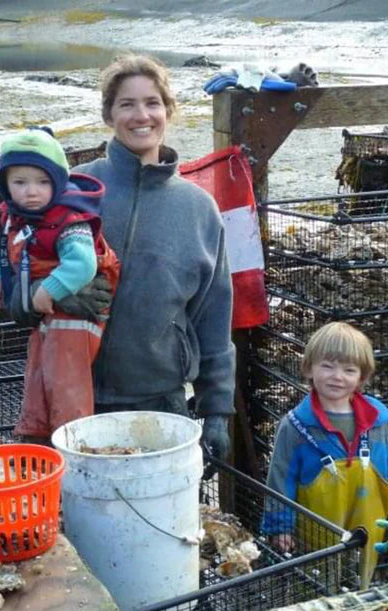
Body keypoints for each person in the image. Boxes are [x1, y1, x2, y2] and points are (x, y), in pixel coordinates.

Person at [52, 53, 236, 462]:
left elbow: (214, 314)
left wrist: (217, 411)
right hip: (72, 393)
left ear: (168, 111)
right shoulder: (75, 190)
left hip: (160, 402)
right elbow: (17, 276)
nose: (142, 115)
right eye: (127, 104)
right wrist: (52, 296)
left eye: (152, 103)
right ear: (108, 114)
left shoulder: (199, 208)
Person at [0, 128, 120, 442]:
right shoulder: (17, 217)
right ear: (5, 185)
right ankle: (35, 436)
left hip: (78, 316)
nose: (31, 192)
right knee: (37, 375)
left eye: (43, 182)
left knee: (65, 382)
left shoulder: (71, 220)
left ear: (58, 182)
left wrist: (48, 290)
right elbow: (8, 247)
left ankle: (72, 443)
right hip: (47, 318)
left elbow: (83, 264)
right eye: (20, 182)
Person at [261, 322, 388, 585]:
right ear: (309, 368)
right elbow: (280, 478)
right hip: (313, 543)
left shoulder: (380, 425)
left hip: (370, 538)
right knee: (313, 597)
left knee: (363, 596)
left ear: (362, 377)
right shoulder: (296, 426)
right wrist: (280, 526)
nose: (337, 376)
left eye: (349, 370)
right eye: (327, 366)